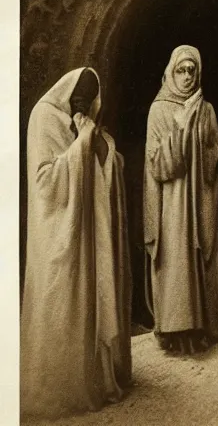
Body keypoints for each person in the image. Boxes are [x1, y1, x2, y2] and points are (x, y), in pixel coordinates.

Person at [21, 68, 132, 419]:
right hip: (57, 234)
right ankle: (61, 383)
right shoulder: (43, 116)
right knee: (62, 299)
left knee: (92, 297)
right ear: (67, 92)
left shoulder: (82, 120)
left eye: (88, 102)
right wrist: (82, 143)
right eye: (78, 100)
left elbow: (108, 162)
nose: (82, 107)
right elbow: (44, 182)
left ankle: (97, 377)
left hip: (87, 231)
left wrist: (99, 145)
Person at [143, 45, 218, 353]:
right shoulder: (159, 110)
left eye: (192, 70)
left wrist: (203, 147)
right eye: (181, 70)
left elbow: (217, 150)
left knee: (199, 255)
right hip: (172, 204)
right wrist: (179, 128)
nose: (187, 76)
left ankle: (200, 330)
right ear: (171, 72)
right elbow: (157, 163)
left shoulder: (207, 109)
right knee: (175, 260)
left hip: (199, 198)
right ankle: (174, 333)